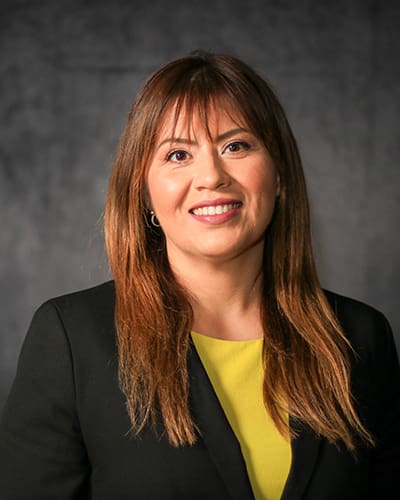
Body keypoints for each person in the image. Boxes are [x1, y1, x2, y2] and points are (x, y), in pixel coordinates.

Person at [1, 51, 399, 500]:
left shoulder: (359, 338)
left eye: (236, 146)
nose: (211, 175)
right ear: (145, 193)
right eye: (177, 154)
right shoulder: (72, 339)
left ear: (279, 173)